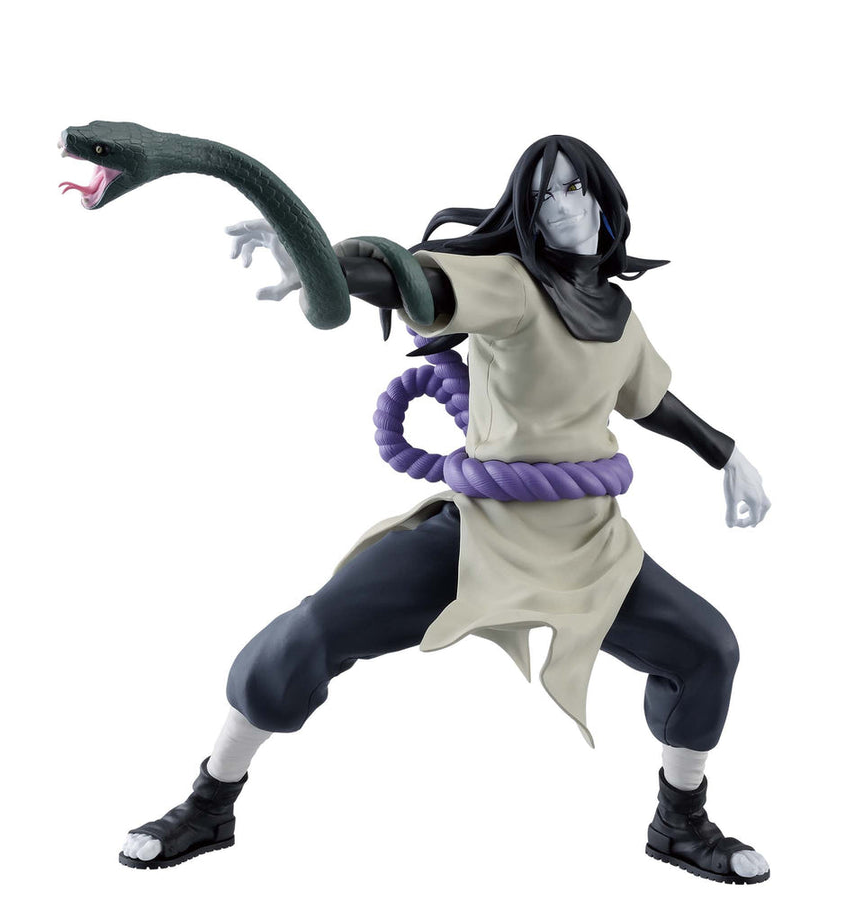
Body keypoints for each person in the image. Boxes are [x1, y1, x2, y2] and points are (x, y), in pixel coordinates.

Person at [119, 136, 771, 884]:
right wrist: (320, 261)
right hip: (479, 538)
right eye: (543, 196)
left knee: (707, 650)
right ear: (526, 215)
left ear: (603, 198)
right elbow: (415, 283)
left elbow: (647, 398)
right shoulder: (510, 285)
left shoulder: (620, 317)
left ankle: (680, 824)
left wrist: (728, 454)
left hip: (589, 544)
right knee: (312, 630)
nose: (564, 207)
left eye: (575, 188)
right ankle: (209, 803)